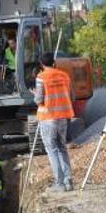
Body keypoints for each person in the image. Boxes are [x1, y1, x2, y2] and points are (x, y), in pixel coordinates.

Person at [32, 52, 75, 192]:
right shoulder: (64, 76)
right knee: (62, 147)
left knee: (52, 150)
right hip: (63, 118)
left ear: (41, 64)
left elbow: (39, 100)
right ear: (54, 62)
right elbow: (72, 96)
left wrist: (35, 95)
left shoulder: (41, 77)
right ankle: (68, 181)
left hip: (48, 118)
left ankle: (59, 184)